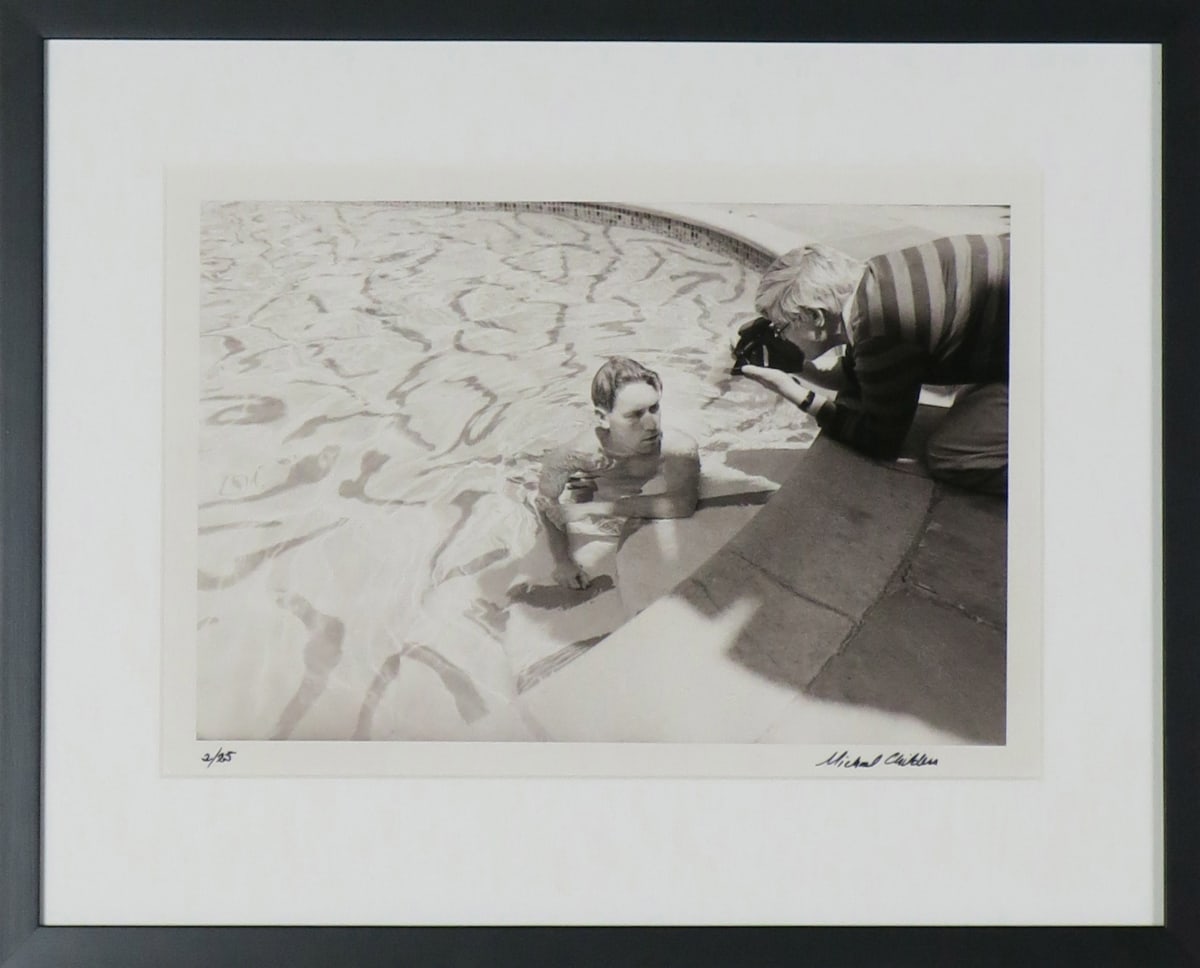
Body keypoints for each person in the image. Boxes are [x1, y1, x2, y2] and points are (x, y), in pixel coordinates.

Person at [737, 234, 1010, 494]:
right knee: (969, 404)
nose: (780, 336)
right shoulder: (874, 280)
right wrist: (798, 366)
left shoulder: (882, 327)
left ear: (816, 318)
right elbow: (865, 374)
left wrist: (793, 392)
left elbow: (881, 440)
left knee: (952, 453)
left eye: (781, 327)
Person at [536, 356, 700, 589]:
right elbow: (546, 503)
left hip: (611, 506)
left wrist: (590, 510)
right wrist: (563, 562)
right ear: (603, 418)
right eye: (635, 415)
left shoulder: (677, 447)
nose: (652, 424)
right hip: (599, 489)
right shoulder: (574, 455)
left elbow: (682, 503)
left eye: (654, 408)